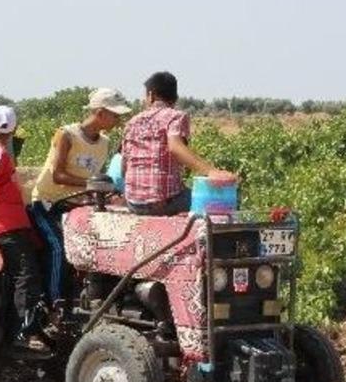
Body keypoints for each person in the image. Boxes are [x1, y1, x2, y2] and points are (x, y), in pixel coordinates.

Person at [30, 88, 132, 306]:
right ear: (100, 113)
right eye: (114, 114)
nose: (117, 119)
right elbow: (58, 175)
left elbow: (97, 176)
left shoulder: (104, 143)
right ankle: (56, 304)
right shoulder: (66, 134)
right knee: (59, 247)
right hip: (50, 203)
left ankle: (97, 299)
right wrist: (91, 185)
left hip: (79, 206)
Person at [0, 106, 50, 358]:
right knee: (26, 276)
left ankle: (21, 329)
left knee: (19, 275)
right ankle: (22, 335)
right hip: (4, 224)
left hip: (12, 222)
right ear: (14, 129)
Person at [121, 71, 236, 215]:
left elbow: (124, 164)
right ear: (175, 97)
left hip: (133, 201)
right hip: (162, 203)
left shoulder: (132, 122)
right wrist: (211, 171)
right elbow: (175, 147)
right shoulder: (175, 117)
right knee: (216, 202)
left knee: (182, 190)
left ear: (151, 96)